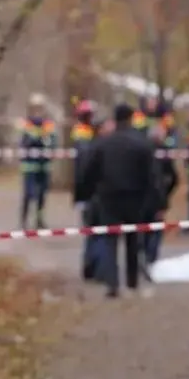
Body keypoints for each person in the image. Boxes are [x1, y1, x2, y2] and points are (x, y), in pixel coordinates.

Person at [77, 103, 161, 298]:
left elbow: (88, 171)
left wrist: (84, 194)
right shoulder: (142, 144)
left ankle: (112, 283)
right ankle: (132, 282)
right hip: (135, 198)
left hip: (108, 198)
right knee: (133, 239)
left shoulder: (104, 143)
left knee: (109, 240)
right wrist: (156, 202)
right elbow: (152, 176)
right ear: (131, 118)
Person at [70, 100, 103, 282]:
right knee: (93, 230)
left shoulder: (87, 134)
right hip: (89, 191)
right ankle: (92, 268)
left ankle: (92, 267)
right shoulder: (83, 135)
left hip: (86, 190)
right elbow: (85, 165)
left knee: (92, 230)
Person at [145, 114, 180, 264]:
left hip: (142, 198)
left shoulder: (142, 150)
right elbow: (173, 177)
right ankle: (151, 259)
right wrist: (166, 194)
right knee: (155, 229)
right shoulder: (164, 152)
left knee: (143, 229)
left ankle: (144, 257)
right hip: (158, 197)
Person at [18, 93, 56, 229]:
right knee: (28, 194)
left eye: (40, 108)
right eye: (35, 108)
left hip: (44, 165)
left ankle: (39, 220)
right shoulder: (26, 124)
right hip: (29, 166)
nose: (37, 111)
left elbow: (52, 142)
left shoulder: (48, 125)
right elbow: (25, 142)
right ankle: (23, 220)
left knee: (42, 195)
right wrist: (40, 140)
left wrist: (42, 141)